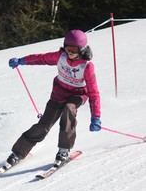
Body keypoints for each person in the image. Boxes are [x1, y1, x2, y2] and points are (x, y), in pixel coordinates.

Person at [6, 29, 101, 166]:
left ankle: (63, 150)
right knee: (43, 126)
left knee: (69, 109)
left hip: (77, 95)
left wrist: (96, 116)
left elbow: (94, 92)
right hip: (59, 94)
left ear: (82, 49)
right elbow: (41, 58)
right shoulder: (61, 57)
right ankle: (18, 153)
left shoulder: (86, 66)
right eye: (68, 48)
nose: (70, 52)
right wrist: (21, 61)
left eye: (74, 49)